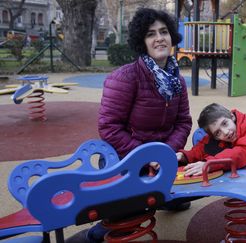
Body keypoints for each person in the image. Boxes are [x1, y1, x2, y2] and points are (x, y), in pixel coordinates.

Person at [67, 8, 192, 243]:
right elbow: (109, 127)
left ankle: (162, 196)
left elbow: (183, 122)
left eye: (164, 32)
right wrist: (146, 157)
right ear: (141, 41)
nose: (159, 38)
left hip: (159, 158)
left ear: (172, 36)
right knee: (130, 212)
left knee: (191, 179)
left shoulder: (177, 80)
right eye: (151, 34)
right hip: (124, 157)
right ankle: (100, 229)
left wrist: (163, 154)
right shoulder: (126, 77)